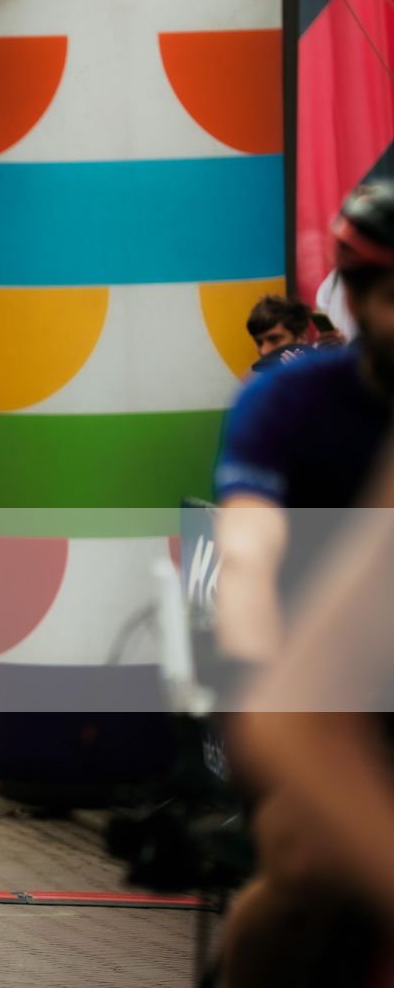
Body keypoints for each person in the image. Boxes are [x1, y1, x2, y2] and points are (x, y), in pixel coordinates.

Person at [213, 184, 394, 984]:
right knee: (309, 866)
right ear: (354, 299)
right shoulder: (290, 397)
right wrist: (249, 653)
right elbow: (248, 540)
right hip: (320, 675)